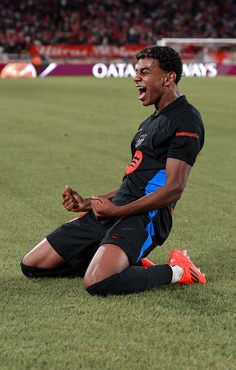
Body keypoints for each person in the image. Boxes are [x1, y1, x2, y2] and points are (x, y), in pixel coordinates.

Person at [20, 46, 206, 295]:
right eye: (136, 71)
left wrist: (119, 210)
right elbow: (134, 182)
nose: (136, 77)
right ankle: (118, 260)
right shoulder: (149, 123)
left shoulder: (186, 119)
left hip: (146, 216)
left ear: (168, 78)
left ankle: (179, 270)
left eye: (145, 72)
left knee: (97, 282)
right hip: (117, 209)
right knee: (33, 265)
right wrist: (87, 203)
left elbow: (173, 188)